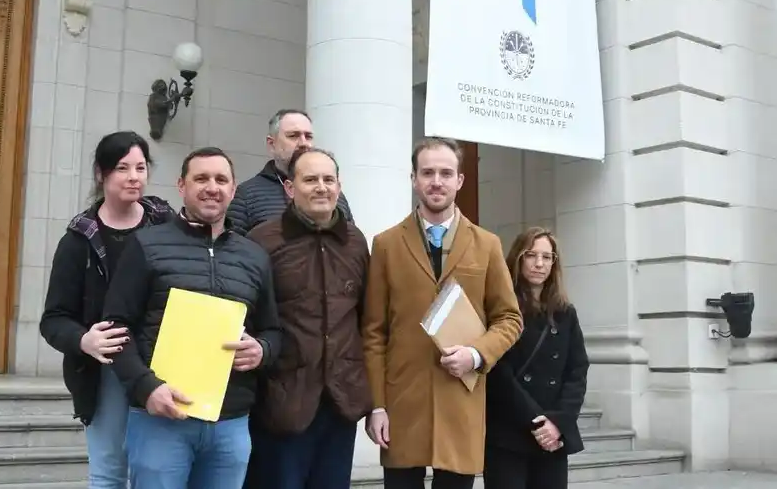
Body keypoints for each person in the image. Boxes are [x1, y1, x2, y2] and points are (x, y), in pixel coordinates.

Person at [102, 147, 282, 489]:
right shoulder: (145, 245)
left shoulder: (255, 257)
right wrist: (146, 388)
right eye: (201, 178)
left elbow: (273, 329)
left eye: (221, 179)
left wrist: (262, 350)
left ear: (233, 189)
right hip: (159, 419)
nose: (211, 187)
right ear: (181, 186)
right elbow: (116, 328)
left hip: (229, 423)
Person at [362, 137, 523, 489]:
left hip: (460, 399)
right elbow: (374, 332)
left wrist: (477, 354)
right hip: (403, 405)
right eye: (428, 172)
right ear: (414, 179)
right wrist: (376, 406)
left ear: (459, 181)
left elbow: (510, 318)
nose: (437, 181)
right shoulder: (386, 245)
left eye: (446, 173)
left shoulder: (487, 245)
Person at [39, 131, 174, 489]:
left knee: (159, 467)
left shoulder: (164, 223)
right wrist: (84, 340)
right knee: (110, 470)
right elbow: (53, 319)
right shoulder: (79, 240)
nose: (134, 177)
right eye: (122, 168)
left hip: (162, 359)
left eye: (141, 167)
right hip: (107, 369)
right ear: (102, 174)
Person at [244, 148, 372, 489]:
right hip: (281, 405)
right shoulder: (261, 241)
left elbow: (366, 319)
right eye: (310, 179)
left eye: (328, 179)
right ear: (289, 187)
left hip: (340, 404)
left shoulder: (355, 243)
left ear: (339, 186)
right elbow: (249, 317)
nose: (321, 187)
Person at [482, 227, 589, 489]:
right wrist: (537, 421)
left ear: (554, 264)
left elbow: (577, 370)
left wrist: (558, 422)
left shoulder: (565, 313)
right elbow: (498, 372)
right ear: (518, 259)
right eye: (531, 255)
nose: (539, 264)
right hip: (509, 431)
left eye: (547, 257)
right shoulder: (499, 308)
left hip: (553, 435)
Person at [228, 109, 353, 235]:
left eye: (308, 136)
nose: (304, 143)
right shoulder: (247, 195)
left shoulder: (332, 194)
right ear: (272, 144)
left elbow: (350, 242)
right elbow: (233, 248)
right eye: (293, 136)